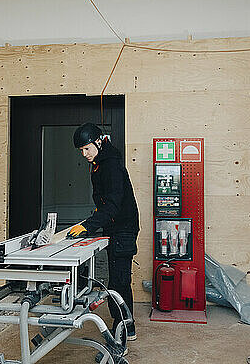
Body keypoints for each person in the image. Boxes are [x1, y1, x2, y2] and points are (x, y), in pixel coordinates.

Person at [68, 123, 139, 342]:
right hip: (114, 227)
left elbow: (113, 204)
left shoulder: (111, 166)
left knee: (118, 283)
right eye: (81, 150)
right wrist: (93, 221)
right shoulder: (100, 163)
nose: (84, 154)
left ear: (99, 141)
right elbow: (105, 203)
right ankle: (127, 326)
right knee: (116, 282)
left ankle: (124, 332)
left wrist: (89, 225)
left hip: (123, 229)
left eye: (87, 148)